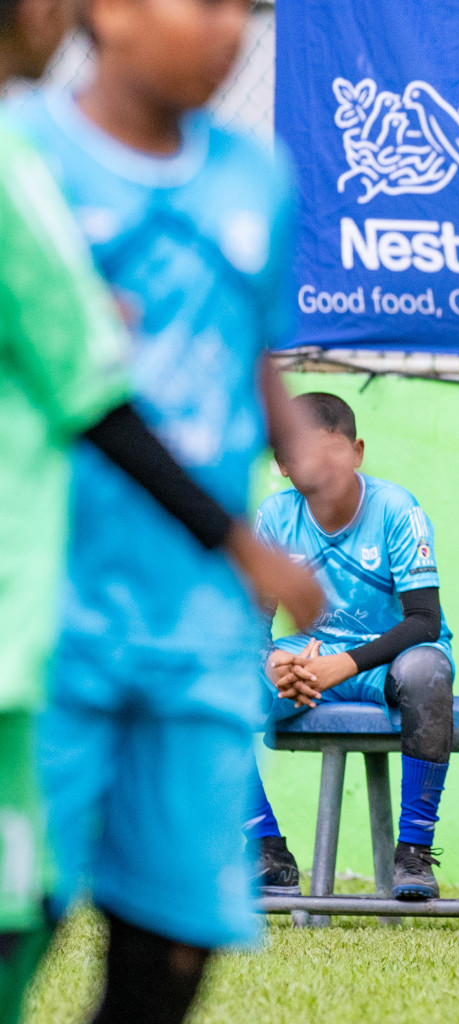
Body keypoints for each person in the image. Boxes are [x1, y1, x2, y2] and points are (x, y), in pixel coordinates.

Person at [10, 0, 327, 1020]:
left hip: (198, 618)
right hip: (48, 610)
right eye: (199, 3)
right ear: (99, 11)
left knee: (175, 945)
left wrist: (295, 446)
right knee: (26, 913)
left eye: (245, 7)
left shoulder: (256, 176)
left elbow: (252, 344)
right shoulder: (24, 152)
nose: (228, 29)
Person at [247, 392, 455, 901]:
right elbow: (248, 626)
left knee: (428, 671)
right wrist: (275, 662)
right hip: (303, 663)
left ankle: (413, 854)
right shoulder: (275, 518)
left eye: (332, 449)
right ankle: (265, 848)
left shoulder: (395, 509)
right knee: (215, 681)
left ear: (357, 451)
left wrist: (344, 665)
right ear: (281, 464)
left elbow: (424, 621)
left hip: (384, 663)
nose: (319, 466)